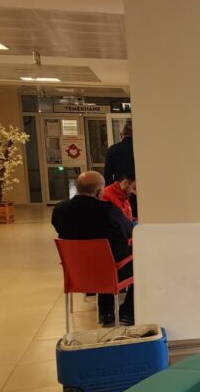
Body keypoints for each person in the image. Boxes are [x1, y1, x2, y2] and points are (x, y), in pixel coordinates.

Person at [51, 171, 134, 326]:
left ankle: (106, 311)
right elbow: (129, 230)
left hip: (75, 271)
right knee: (137, 262)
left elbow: (58, 228)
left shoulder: (59, 209)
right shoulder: (108, 210)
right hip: (109, 272)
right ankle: (127, 313)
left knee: (102, 258)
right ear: (99, 192)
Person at [103, 122, 136, 217]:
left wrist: (111, 191)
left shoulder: (113, 149)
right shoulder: (140, 149)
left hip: (120, 190)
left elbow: (107, 175)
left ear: (121, 135)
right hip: (138, 189)